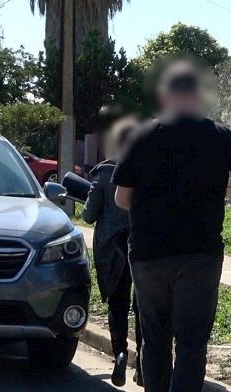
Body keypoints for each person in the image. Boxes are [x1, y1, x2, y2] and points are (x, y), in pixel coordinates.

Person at [112, 58, 231, 392]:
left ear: (165, 96)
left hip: (148, 255)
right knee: (192, 344)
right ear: (198, 97)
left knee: (154, 340)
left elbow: (121, 200)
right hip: (200, 256)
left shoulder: (140, 136)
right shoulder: (219, 136)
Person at [82, 117, 143, 387]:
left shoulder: (103, 175)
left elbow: (89, 215)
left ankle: (119, 352)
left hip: (112, 249)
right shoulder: (146, 170)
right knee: (143, 306)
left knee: (117, 305)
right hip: (141, 245)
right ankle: (143, 364)